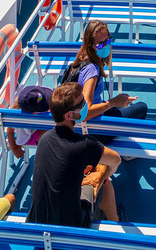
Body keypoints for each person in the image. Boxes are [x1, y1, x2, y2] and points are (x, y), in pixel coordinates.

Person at [27, 82, 122, 226]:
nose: (85, 106)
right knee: (105, 182)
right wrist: (105, 174)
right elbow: (116, 160)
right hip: (71, 228)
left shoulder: (44, 139)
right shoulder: (85, 144)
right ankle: (115, 221)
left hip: (37, 225)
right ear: (69, 115)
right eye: (82, 103)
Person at [71, 20, 148, 124]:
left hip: (92, 117)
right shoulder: (92, 70)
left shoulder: (81, 58)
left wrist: (116, 102)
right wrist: (113, 102)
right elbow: (85, 114)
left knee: (122, 109)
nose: (106, 46)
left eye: (107, 41)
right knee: (141, 108)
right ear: (90, 45)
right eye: (100, 45)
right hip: (93, 127)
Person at [5, 84, 51, 160]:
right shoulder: (19, 121)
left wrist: (14, 148)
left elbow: (9, 129)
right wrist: (15, 148)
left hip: (31, 129)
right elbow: (10, 131)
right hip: (28, 136)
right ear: (35, 113)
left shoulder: (14, 115)